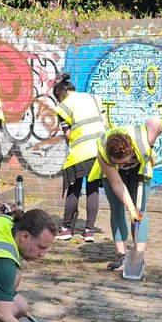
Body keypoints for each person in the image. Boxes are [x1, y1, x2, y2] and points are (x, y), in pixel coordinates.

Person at [90, 117, 162, 271]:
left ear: (131, 151)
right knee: (117, 209)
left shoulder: (143, 139)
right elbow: (116, 183)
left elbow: (156, 121)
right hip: (114, 176)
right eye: (117, 163)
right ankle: (121, 255)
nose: (121, 165)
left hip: (139, 170)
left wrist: (152, 146)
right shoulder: (103, 151)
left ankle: (138, 256)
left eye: (123, 162)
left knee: (140, 212)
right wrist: (130, 208)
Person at [50, 73, 104, 242]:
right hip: (99, 151)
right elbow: (105, 123)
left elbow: (68, 135)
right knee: (93, 189)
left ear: (60, 95)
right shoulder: (93, 98)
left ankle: (66, 229)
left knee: (74, 189)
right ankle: (89, 232)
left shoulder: (64, 106)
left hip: (80, 153)